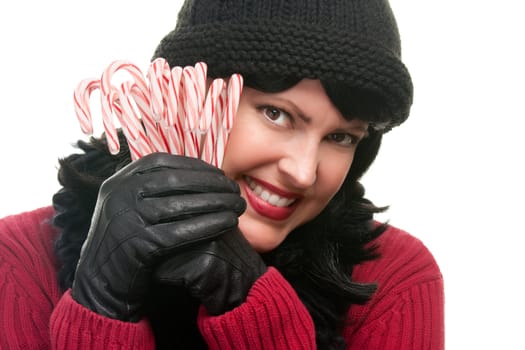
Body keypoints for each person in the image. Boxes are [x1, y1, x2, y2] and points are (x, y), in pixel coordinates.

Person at [0, 0, 444, 349]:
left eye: (342, 138)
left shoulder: (393, 280)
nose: (305, 173)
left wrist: (253, 308)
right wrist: (103, 306)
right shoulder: (18, 261)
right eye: (276, 114)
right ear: (186, 94)